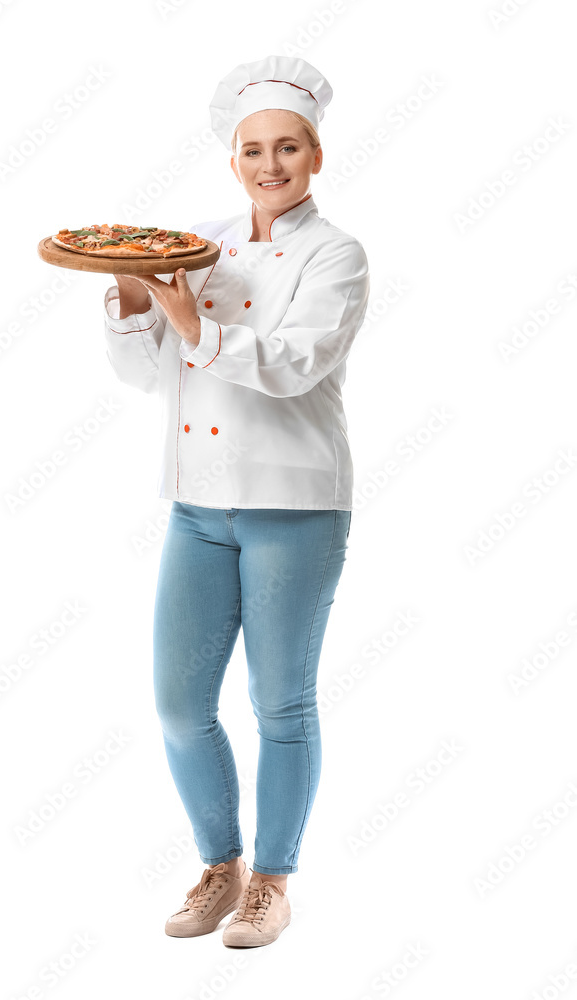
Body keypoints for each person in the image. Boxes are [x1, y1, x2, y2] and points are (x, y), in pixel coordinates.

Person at [103, 54, 370, 948]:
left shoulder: (338, 254)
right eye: (253, 149)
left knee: (280, 703)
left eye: (288, 147)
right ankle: (219, 865)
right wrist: (136, 304)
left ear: (316, 155)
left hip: (294, 507)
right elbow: (149, 378)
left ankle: (273, 880)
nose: (270, 163)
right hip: (196, 504)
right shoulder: (197, 242)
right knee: (180, 704)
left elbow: (296, 368)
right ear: (233, 160)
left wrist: (190, 323)